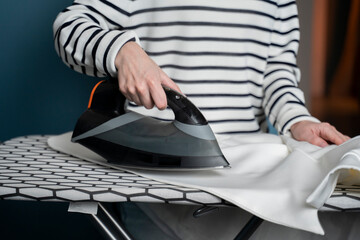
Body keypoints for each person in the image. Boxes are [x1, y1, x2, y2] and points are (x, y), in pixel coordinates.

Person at [53, 1, 351, 239]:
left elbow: (276, 74)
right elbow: (69, 26)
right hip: (154, 191)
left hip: (246, 179)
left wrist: (296, 119)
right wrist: (123, 51)